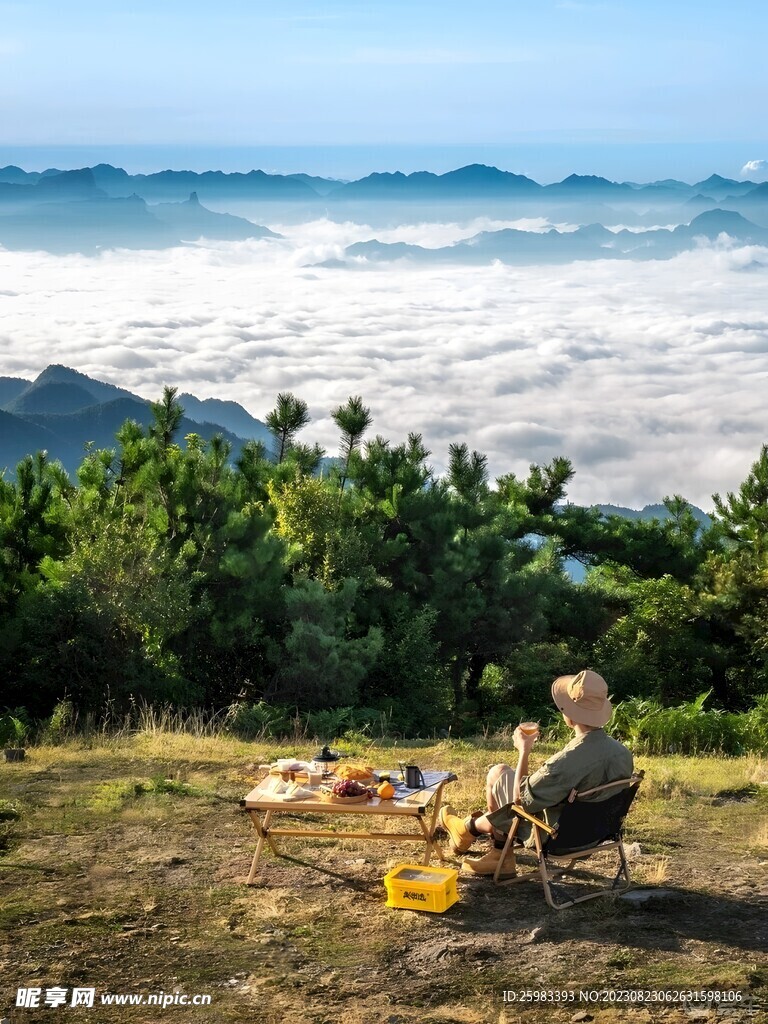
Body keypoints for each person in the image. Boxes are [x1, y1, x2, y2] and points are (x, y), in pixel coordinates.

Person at [439, 669, 634, 878]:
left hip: (555, 836)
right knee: (500, 772)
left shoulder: (567, 761)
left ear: (568, 712)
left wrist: (524, 751)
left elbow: (520, 801)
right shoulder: (622, 753)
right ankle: (481, 840)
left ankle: (480, 839)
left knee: (499, 778)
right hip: (594, 834)